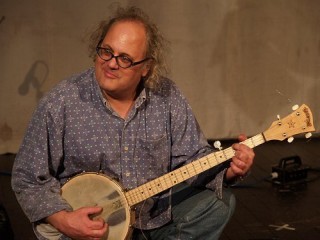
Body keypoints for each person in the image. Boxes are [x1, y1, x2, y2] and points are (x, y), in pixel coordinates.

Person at [11, 6, 254, 240]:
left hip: (154, 218)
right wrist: (63, 219)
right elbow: (27, 177)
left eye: (125, 58)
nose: (112, 63)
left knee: (219, 203)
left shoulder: (167, 96)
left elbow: (192, 157)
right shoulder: (61, 102)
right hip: (92, 231)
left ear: (146, 67)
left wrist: (229, 170)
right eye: (106, 51)